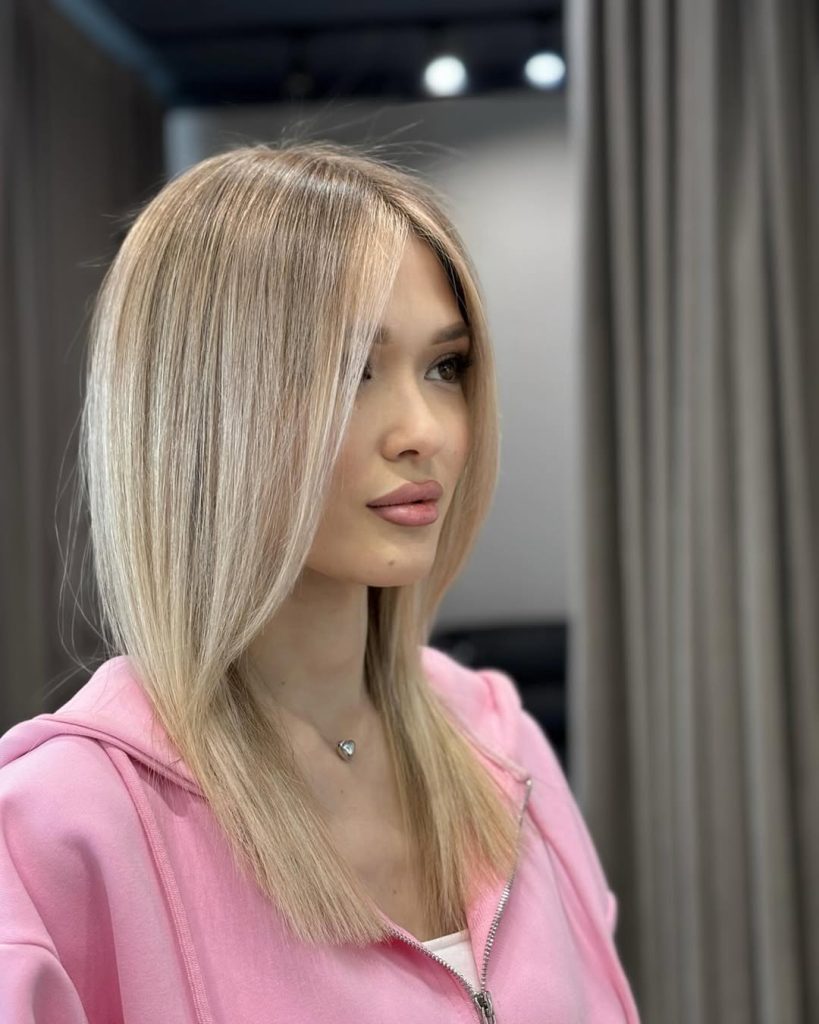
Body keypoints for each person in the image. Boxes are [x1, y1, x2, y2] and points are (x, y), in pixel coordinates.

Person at [0, 140, 640, 1022]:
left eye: (444, 367)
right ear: (206, 407)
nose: (424, 431)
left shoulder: (500, 748)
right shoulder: (56, 829)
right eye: (350, 372)